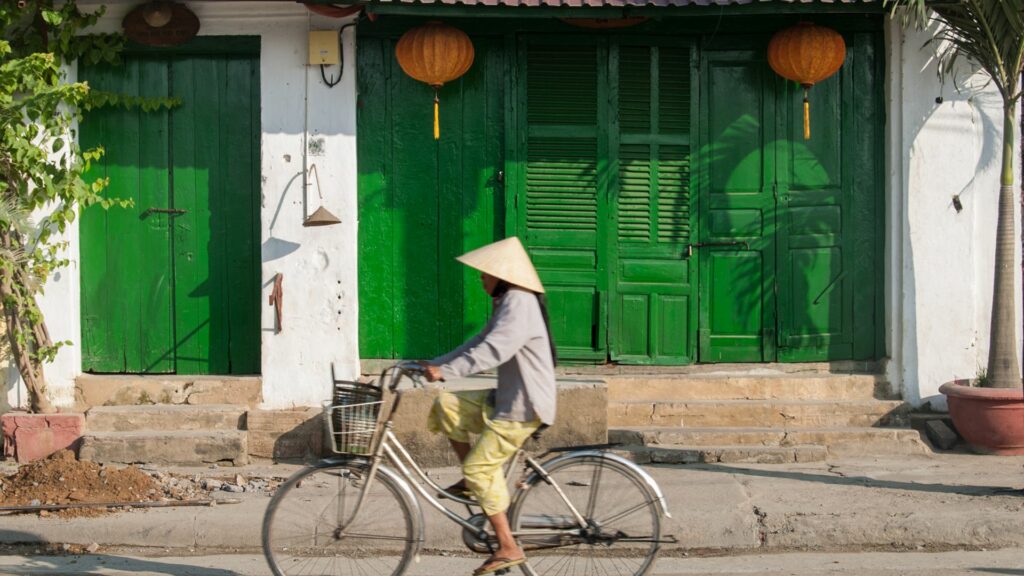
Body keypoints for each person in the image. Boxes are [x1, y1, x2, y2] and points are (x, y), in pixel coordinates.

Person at [421, 236, 557, 576]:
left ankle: (508, 546)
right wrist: (436, 363)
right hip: (507, 398)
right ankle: (474, 485)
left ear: (502, 274)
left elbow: (495, 351)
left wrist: (448, 371)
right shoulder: (507, 301)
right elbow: (479, 341)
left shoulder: (520, 303)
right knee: (447, 403)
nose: (481, 278)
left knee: (480, 469)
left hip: (524, 406)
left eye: (485, 273)